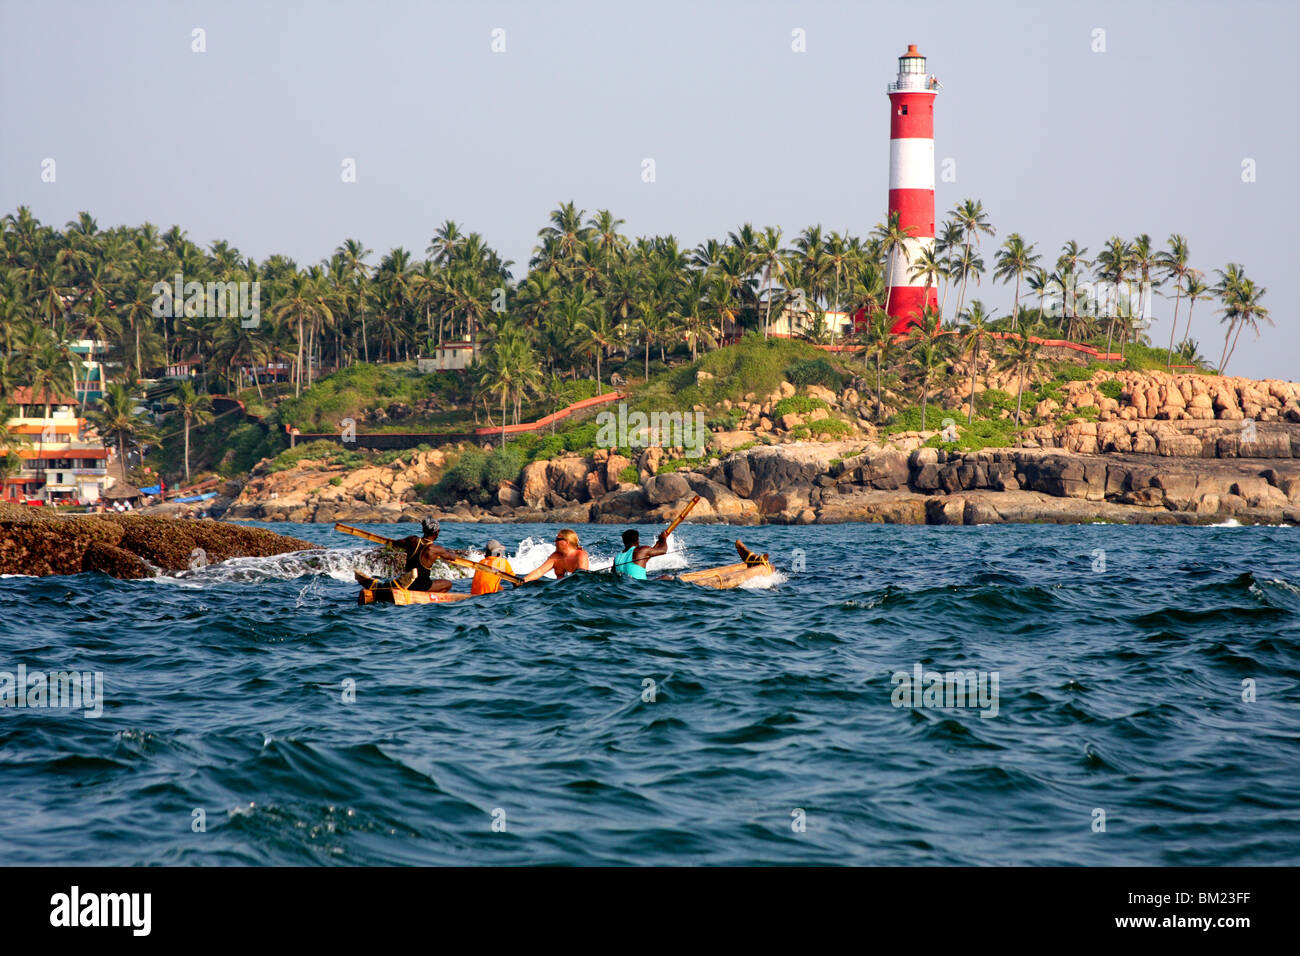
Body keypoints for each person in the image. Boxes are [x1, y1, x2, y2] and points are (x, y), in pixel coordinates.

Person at [355, 518, 462, 592]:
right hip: (421, 585)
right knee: (448, 584)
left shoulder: (412, 540)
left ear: (423, 530)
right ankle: (426, 597)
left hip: (407, 581)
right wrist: (448, 552)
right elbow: (452, 557)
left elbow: (396, 543)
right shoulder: (436, 549)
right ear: (437, 533)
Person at [523, 528, 590, 582]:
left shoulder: (581, 555)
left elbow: (583, 578)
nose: (555, 541)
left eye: (558, 539)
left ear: (566, 542)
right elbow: (540, 571)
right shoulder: (555, 556)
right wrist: (523, 581)